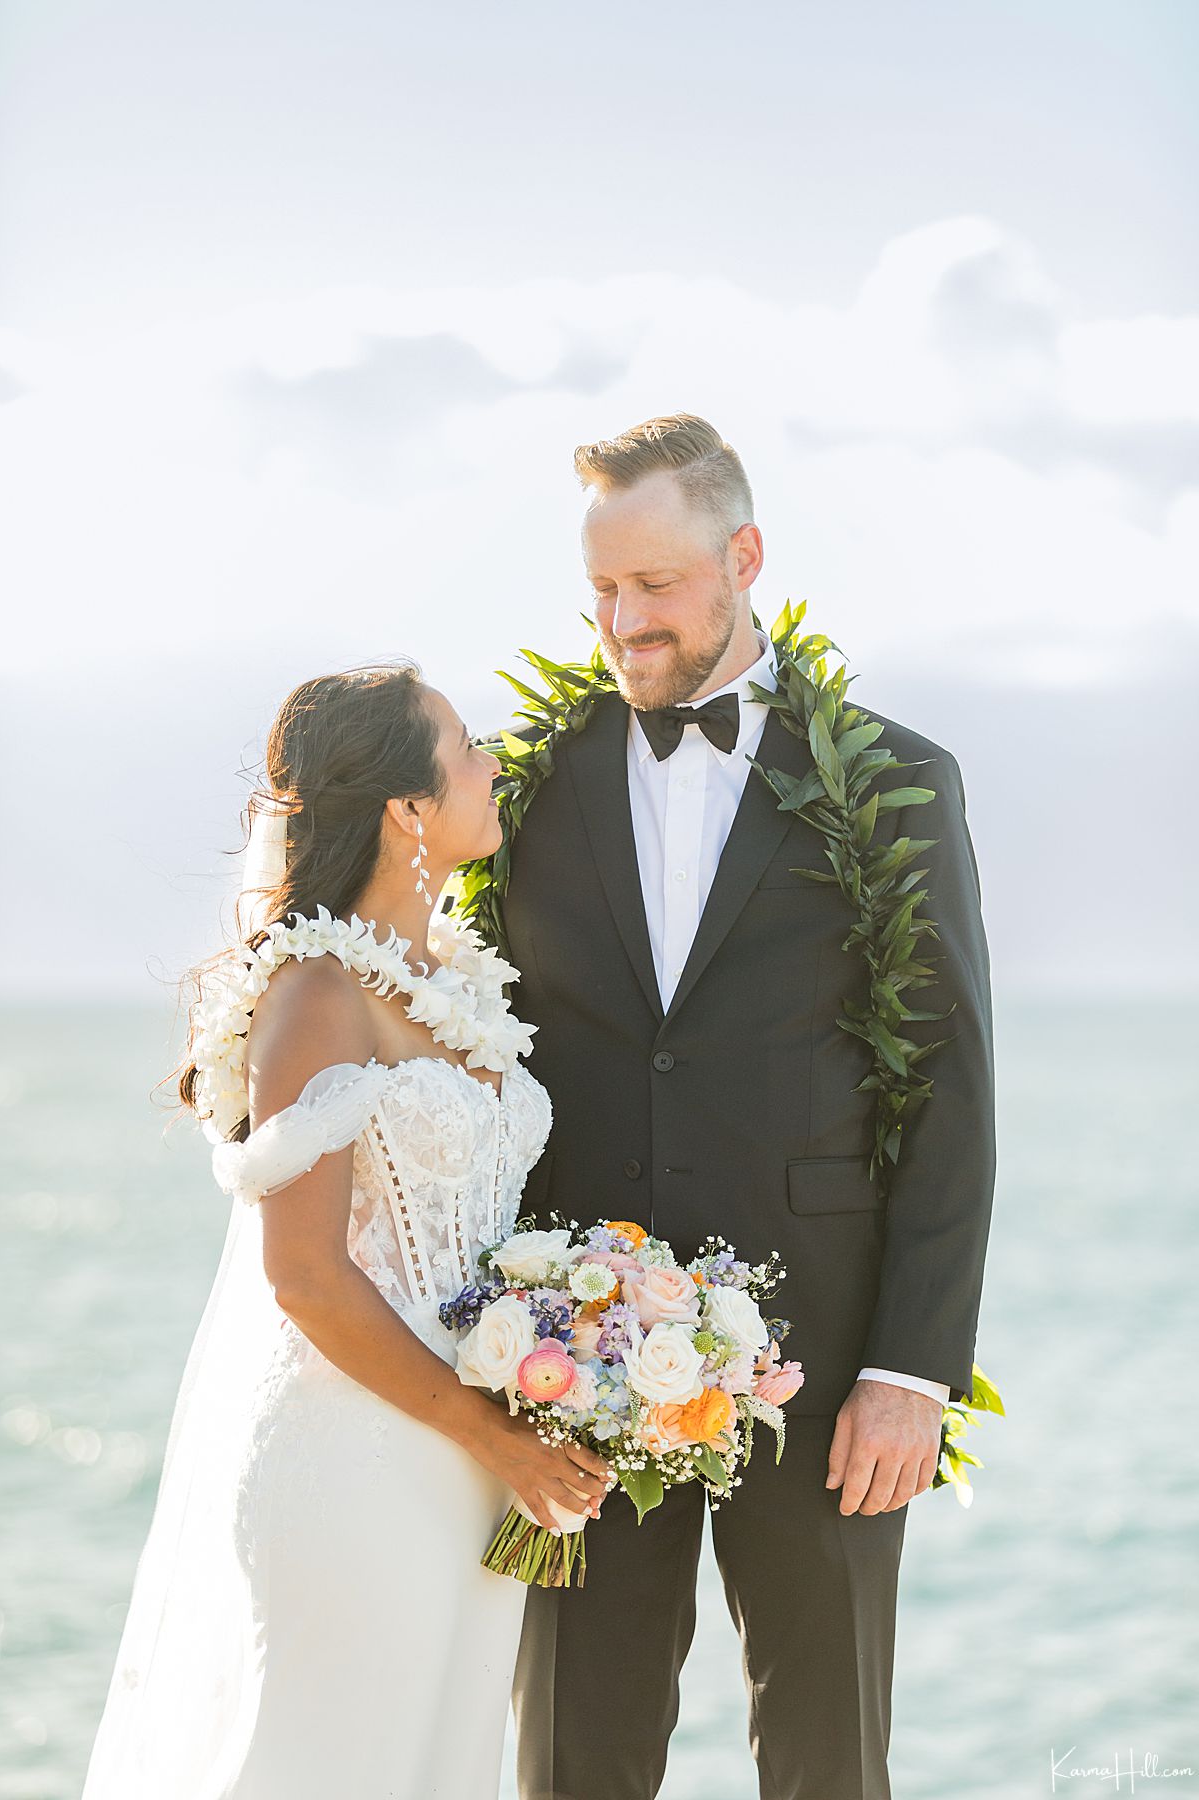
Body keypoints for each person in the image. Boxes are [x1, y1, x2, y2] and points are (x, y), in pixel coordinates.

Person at [507, 415, 997, 1799]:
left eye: (655, 585)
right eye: (601, 589)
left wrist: (914, 1371)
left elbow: (953, 1087)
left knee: (828, 1752)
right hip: (574, 1361)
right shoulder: (530, 783)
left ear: (745, 556)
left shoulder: (900, 782)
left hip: (829, 1355)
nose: (623, 620)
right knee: (571, 1752)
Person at [82, 661, 609, 1800]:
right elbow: (306, 1275)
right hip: (354, 1462)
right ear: (408, 809)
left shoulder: (454, 983)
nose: (493, 764)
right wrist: (499, 1436)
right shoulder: (318, 992)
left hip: (469, 1469)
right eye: (467, 747)